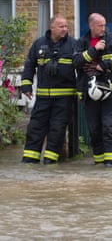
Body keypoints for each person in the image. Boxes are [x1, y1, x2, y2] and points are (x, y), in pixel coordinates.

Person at [73, 13, 112, 167]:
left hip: (110, 91)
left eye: (104, 25)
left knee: (109, 126)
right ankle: (98, 161)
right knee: (94, 128)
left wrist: (103, 66)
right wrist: (93, 50)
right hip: (89, 91)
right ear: (91, 25)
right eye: (100, 25)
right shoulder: (82, 42)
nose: (103, 28)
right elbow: (76, 62)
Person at [21, 15, 77, 164]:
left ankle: (50, 162)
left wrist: (81, 90)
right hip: (43, 98)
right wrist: (26, 85)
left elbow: (82, 68)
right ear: (52, 28)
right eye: (61, 26)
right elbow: (29, 65)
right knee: (35, 129)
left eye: (66, 26)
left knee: (57, 131)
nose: (65, 29)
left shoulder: (73, 45)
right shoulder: (39, 44)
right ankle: (29, 161)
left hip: (64, 99)